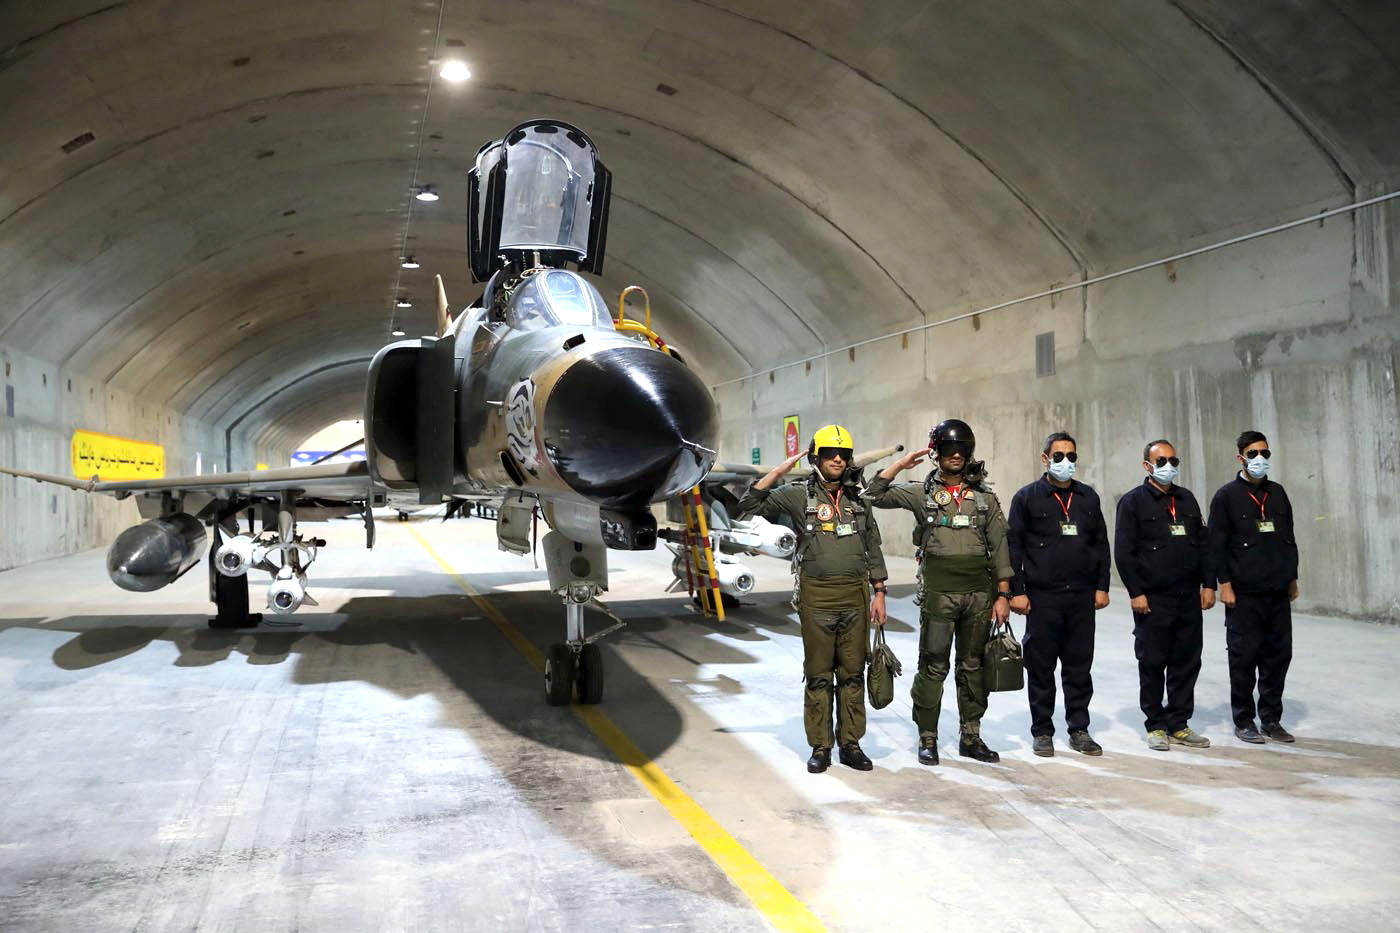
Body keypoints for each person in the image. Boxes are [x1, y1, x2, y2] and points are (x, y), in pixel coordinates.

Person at [736, 425, 889, 773]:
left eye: (843, 454)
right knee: (819, 675)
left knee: (852, 673)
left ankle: (851, 744)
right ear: (816, 456)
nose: (838, 459)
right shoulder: (796, 495)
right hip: (816, 599)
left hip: (855, 597)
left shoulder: (858, 498)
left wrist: (879, 592)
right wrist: (777, 473)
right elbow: (747, 505)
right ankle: (821, 746)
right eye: (830, 454)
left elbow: (872, 546)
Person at [865, 419, 1011, 765]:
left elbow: (1001, 547)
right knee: (933, 666)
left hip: (978, 595)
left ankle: (970, 735)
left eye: (961, 449)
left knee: (973, 666)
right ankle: (927, 737)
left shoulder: (985, 499)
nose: (956, 455)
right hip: (939, 596)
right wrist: (901, 464)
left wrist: (1003, 594)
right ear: (937, 454)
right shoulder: (922, 494)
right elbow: (873, 494)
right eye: (947, 449)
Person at [1006, 432, 1110, 757]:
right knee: (1041, 667)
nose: (1066, 462)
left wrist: (1102, 586)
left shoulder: (1088, 498)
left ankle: (1079, 729)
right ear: (1045, 458)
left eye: (1071, 456)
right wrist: (1016, 592)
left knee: (1079, 667)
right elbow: (1014, 548)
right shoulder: (1027, 498)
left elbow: (1100, 545)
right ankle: (1043, 731)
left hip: (1081, 598)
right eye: (1059, 456)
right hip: (1042, 598)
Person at [1115, 439, 1215, 752]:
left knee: (1187, 661)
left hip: (1187, 597)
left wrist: (1208, 584)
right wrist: (1136, 592)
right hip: (1152, 599)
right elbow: (1124, 552)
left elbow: (1203, 544)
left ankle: (1179, 723)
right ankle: (1155, 724)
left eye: (1173, 460)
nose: (1168, 467)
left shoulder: (1186, 499)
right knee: (1153, 660)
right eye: (1161, 461)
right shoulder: (1133, 503)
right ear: (1147, 466)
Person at [1208, 431, 1299, 744]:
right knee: (1244, 658)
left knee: (1277, 657)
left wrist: (1292, 576)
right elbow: (1216, 545)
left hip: (1277, 591)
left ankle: (1272, 719)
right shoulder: (1226, 496)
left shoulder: (1278, 493)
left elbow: (1288, 537)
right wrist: (1225, 585)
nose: (1259, 458)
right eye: (1252, 453)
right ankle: (1244, 719)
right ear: (1240, 458)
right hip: (1244, 594)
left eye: (1264, 453)